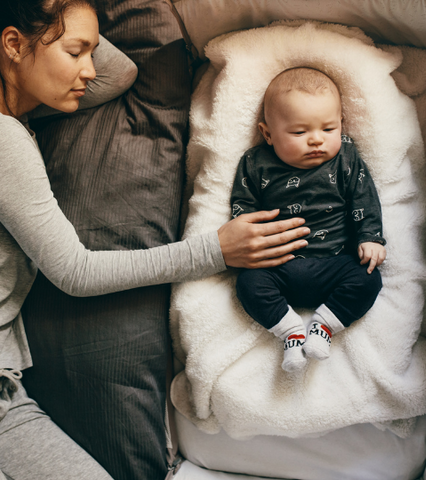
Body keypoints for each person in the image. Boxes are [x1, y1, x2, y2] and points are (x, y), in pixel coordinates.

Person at [0, 1, 311, 478]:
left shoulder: (21, 118)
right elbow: (75, 272)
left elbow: (118, 74)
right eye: (75, 51)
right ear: (12, 43)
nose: (87, 70)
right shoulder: (5, 140)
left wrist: (67, 22)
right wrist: (216, 250)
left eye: (89, 50)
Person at [232, 68, 387, 372]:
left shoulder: (346, 157)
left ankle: (324, 327)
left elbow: (364, 197)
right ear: (268, 134)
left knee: (369, 278)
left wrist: (370, 237)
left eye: (328, 129)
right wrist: (248, 246)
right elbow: (243, 206)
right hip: (277, 264)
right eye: (299, 133)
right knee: (247, 285)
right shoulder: (255, 163)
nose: (316, 140)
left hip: (336, 262)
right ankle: (290, 330)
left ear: (341, 125)